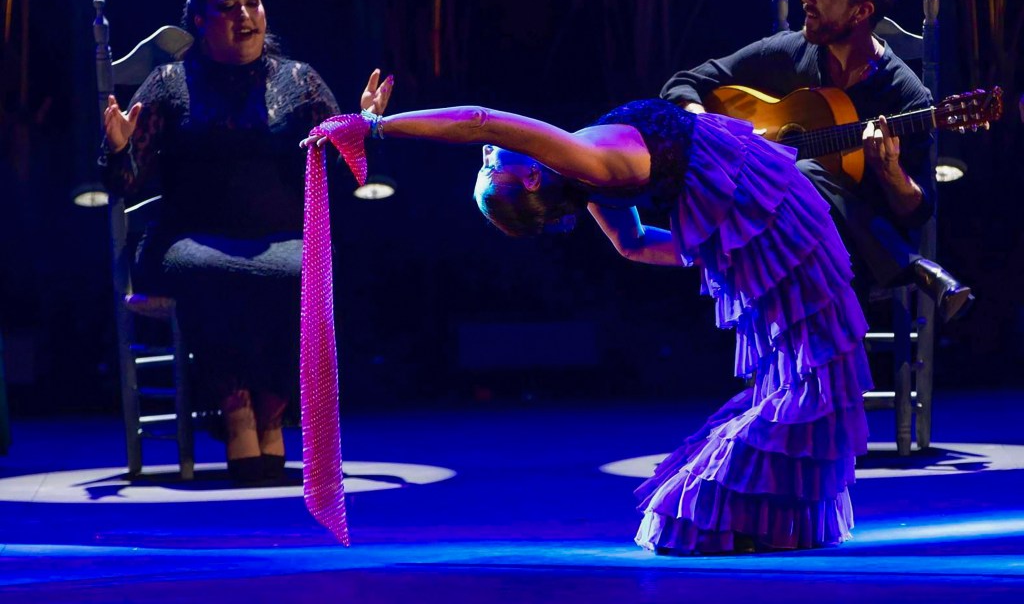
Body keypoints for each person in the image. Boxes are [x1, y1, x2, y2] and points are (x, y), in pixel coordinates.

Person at [306, 89, 872, 553]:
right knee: (816, 371)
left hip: (757, 206)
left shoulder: (584, 177)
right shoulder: (586, 164)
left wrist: (725, 247)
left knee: (812, 369)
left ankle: (761, 511)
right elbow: (481, 120)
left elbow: (633, 243)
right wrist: (377, 127)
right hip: (765, 209)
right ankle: (740, 507)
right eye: (491, 166)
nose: (488, 154)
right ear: (531, 179)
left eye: (484, 164)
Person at [99, 0, 362, 486]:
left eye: (252, 3)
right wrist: (120, 148)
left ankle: (272, 408)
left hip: (279, 238)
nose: (245, 15)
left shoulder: (300, 81)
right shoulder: (170, 83)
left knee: (305, 272)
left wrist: (362, 130)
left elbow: (344, 172)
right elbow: (124, 185)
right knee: (212, 272)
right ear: (199, 20)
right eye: (228, 6)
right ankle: (234, 406)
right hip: (186, 241)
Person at [660, 0, 972, 322]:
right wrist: (712, 126)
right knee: (793, 176)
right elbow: (684, 83)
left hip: (851, 254)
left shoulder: (906, 96)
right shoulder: (789, 52)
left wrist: (890, 172)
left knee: (803, 173)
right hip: (778, 237)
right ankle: (912, 267)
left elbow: (917, 212)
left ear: (861, 11)